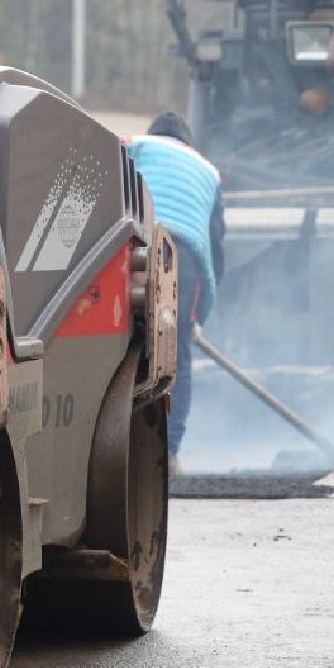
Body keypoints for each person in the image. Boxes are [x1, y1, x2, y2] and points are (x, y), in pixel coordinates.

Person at [128, 112, 225, 473]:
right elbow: (214, 253)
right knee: (176, 355)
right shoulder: (208, 172)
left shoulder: (136, 146)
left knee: (126, 342)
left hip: (135, 244)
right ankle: (168, 454)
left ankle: (121, 445)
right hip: (182, 256)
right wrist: (195, 320)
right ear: (189, 144)